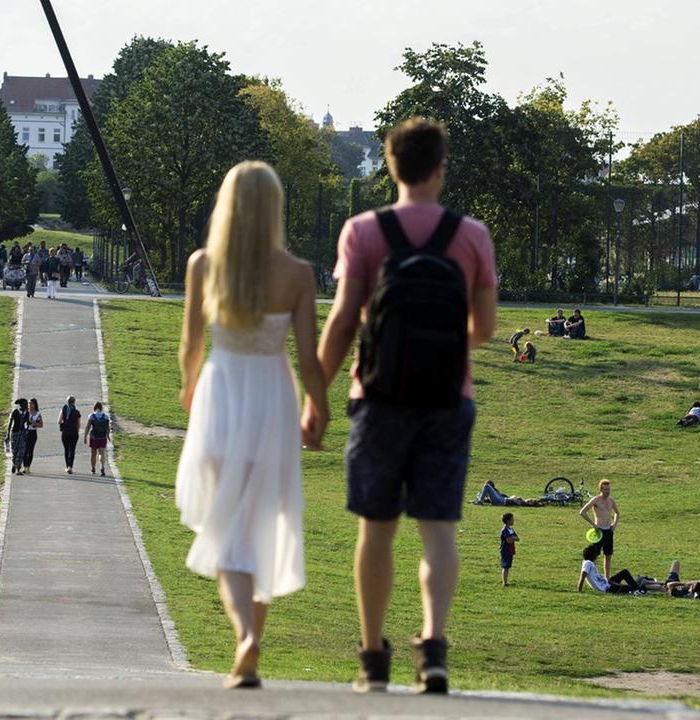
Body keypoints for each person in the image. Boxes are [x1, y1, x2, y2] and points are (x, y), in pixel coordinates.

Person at [304, 117, 497, 695]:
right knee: (438, 531)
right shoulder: (472, 236)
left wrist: (316, 398)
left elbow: (341, 321)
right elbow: (483, 327)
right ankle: (433, 650)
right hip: (447, 399)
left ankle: (372, 658)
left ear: (389, 166)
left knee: (377, 530)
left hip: (378, 397)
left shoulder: (363, 231)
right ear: (440, 169)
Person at [175, 160, 327, 690]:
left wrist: (189, 386)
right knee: (263, 523)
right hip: (271, 400)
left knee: (225, 530)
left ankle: (245, 638)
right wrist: (320, 408)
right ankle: (251, 645)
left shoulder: (203, 265)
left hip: (221, 394)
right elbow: (309, 360)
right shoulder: (297, 274)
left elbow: (191, 345)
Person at [580, 479, 620, 577]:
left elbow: (617, 513)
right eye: (605, 489)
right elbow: (582, 512)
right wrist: (593, 524)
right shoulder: (596, 500)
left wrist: (614, 525)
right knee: (594, 555)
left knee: (608, 556)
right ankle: (591, 575)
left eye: (609, 489)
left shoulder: (611, 500)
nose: (607, 491)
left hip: (608, 531)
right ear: (601, 489)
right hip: (599, 532)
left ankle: (607, 578)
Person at [577, 544, 641, 594]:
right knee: (631, 588)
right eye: (596, 553)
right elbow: (583, 575)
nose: (597, 555)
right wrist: (579, 590)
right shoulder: (588, 563)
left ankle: (639, 586)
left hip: (608, 583)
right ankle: (640, 587)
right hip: (608, 589)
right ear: (593, 554)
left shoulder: (589, 563)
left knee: (624, 572)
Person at [85, 402, 111, 477]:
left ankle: (93, 468)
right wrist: (108, 436)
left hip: (94, 437)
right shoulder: (105, 416)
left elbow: (87, 427)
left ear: (94, 407)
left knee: (93, 454)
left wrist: (85, 436)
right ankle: (102, 467)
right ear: (101, 408)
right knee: (101, 453)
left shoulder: (91, 416)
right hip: (102, 437)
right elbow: (108, 428)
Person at [58, 395, 82, 474]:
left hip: (65, 432)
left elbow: (59, 421)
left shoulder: (63, 409)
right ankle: (70, 467)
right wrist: (77, 431)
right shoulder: (77, 412)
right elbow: (78, 424)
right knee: (72, 449)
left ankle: (67, 466)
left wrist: (63, 424)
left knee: (66, 449)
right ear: (74, 402)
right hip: (74, 432)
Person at [5, 399, 29, 475]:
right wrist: (8, 435)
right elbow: (10, 423)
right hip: (15, 434)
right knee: (15, 451)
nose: (26, 406)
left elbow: (27, 423)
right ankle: (14, 464)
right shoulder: (15, 412)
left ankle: (18, 469)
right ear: (21, 405)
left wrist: (26, 431)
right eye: (25, 404)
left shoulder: (27, 413)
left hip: (22, 434)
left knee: (21, 452)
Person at [22, 398, 44, 473]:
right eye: (28, 403)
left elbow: (41, 425)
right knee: (24, 450)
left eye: (31, 403)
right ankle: (24, 466)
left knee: (30, 450)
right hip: (25, 432)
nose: (29, 405)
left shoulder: (37, 413)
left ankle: (28, 466)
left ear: (34, 404)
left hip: (33, 433)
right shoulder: (25, 412)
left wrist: (33, 422)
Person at [499, 513, 518, 587]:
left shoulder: (511, 529)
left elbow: (517, 538)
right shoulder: (505, 530)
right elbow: (508, 541)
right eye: (512, 519)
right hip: (505, 550)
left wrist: (512, 538)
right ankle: (504, 583)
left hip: (510, 550)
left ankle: (505, 581)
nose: (513, 521)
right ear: (508, 521)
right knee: (505, 567)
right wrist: (513, 538)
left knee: (508, 566)